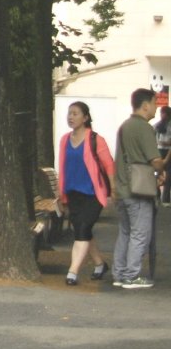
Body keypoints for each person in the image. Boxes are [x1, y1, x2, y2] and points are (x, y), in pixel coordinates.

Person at [112, 88, 165, 289]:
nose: (156, 107)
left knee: (125, 232)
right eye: (154, 103)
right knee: (140, 233)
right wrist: (162, 168)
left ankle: (119, 273)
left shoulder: (124, 126)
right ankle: (131, 275)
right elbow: (155, 160)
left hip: (123, 187)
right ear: (145, 105)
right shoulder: (144, 128)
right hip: (139, 191)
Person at [56, 101, 113, 286]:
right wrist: (61, 192)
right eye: (69, 113)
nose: (71, 117)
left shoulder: (96, 139)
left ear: (85, 117)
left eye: (75, 113)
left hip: (93, 194)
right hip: (73, 193)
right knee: (83, 230)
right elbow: (63, 166)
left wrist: (114, 190)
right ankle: (100, 264)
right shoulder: (65, 140)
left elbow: (109, 166)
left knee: (81, 229)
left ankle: (72, 272)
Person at [156, 106, 171, 205]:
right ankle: (156, 196)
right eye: (161, 113)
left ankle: (165, 199)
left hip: (169, 151)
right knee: (156, 173)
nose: (163, 115)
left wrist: (166, 143)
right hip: (159, 151)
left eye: (165, 114)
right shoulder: (157, 125)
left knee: (169, 175)